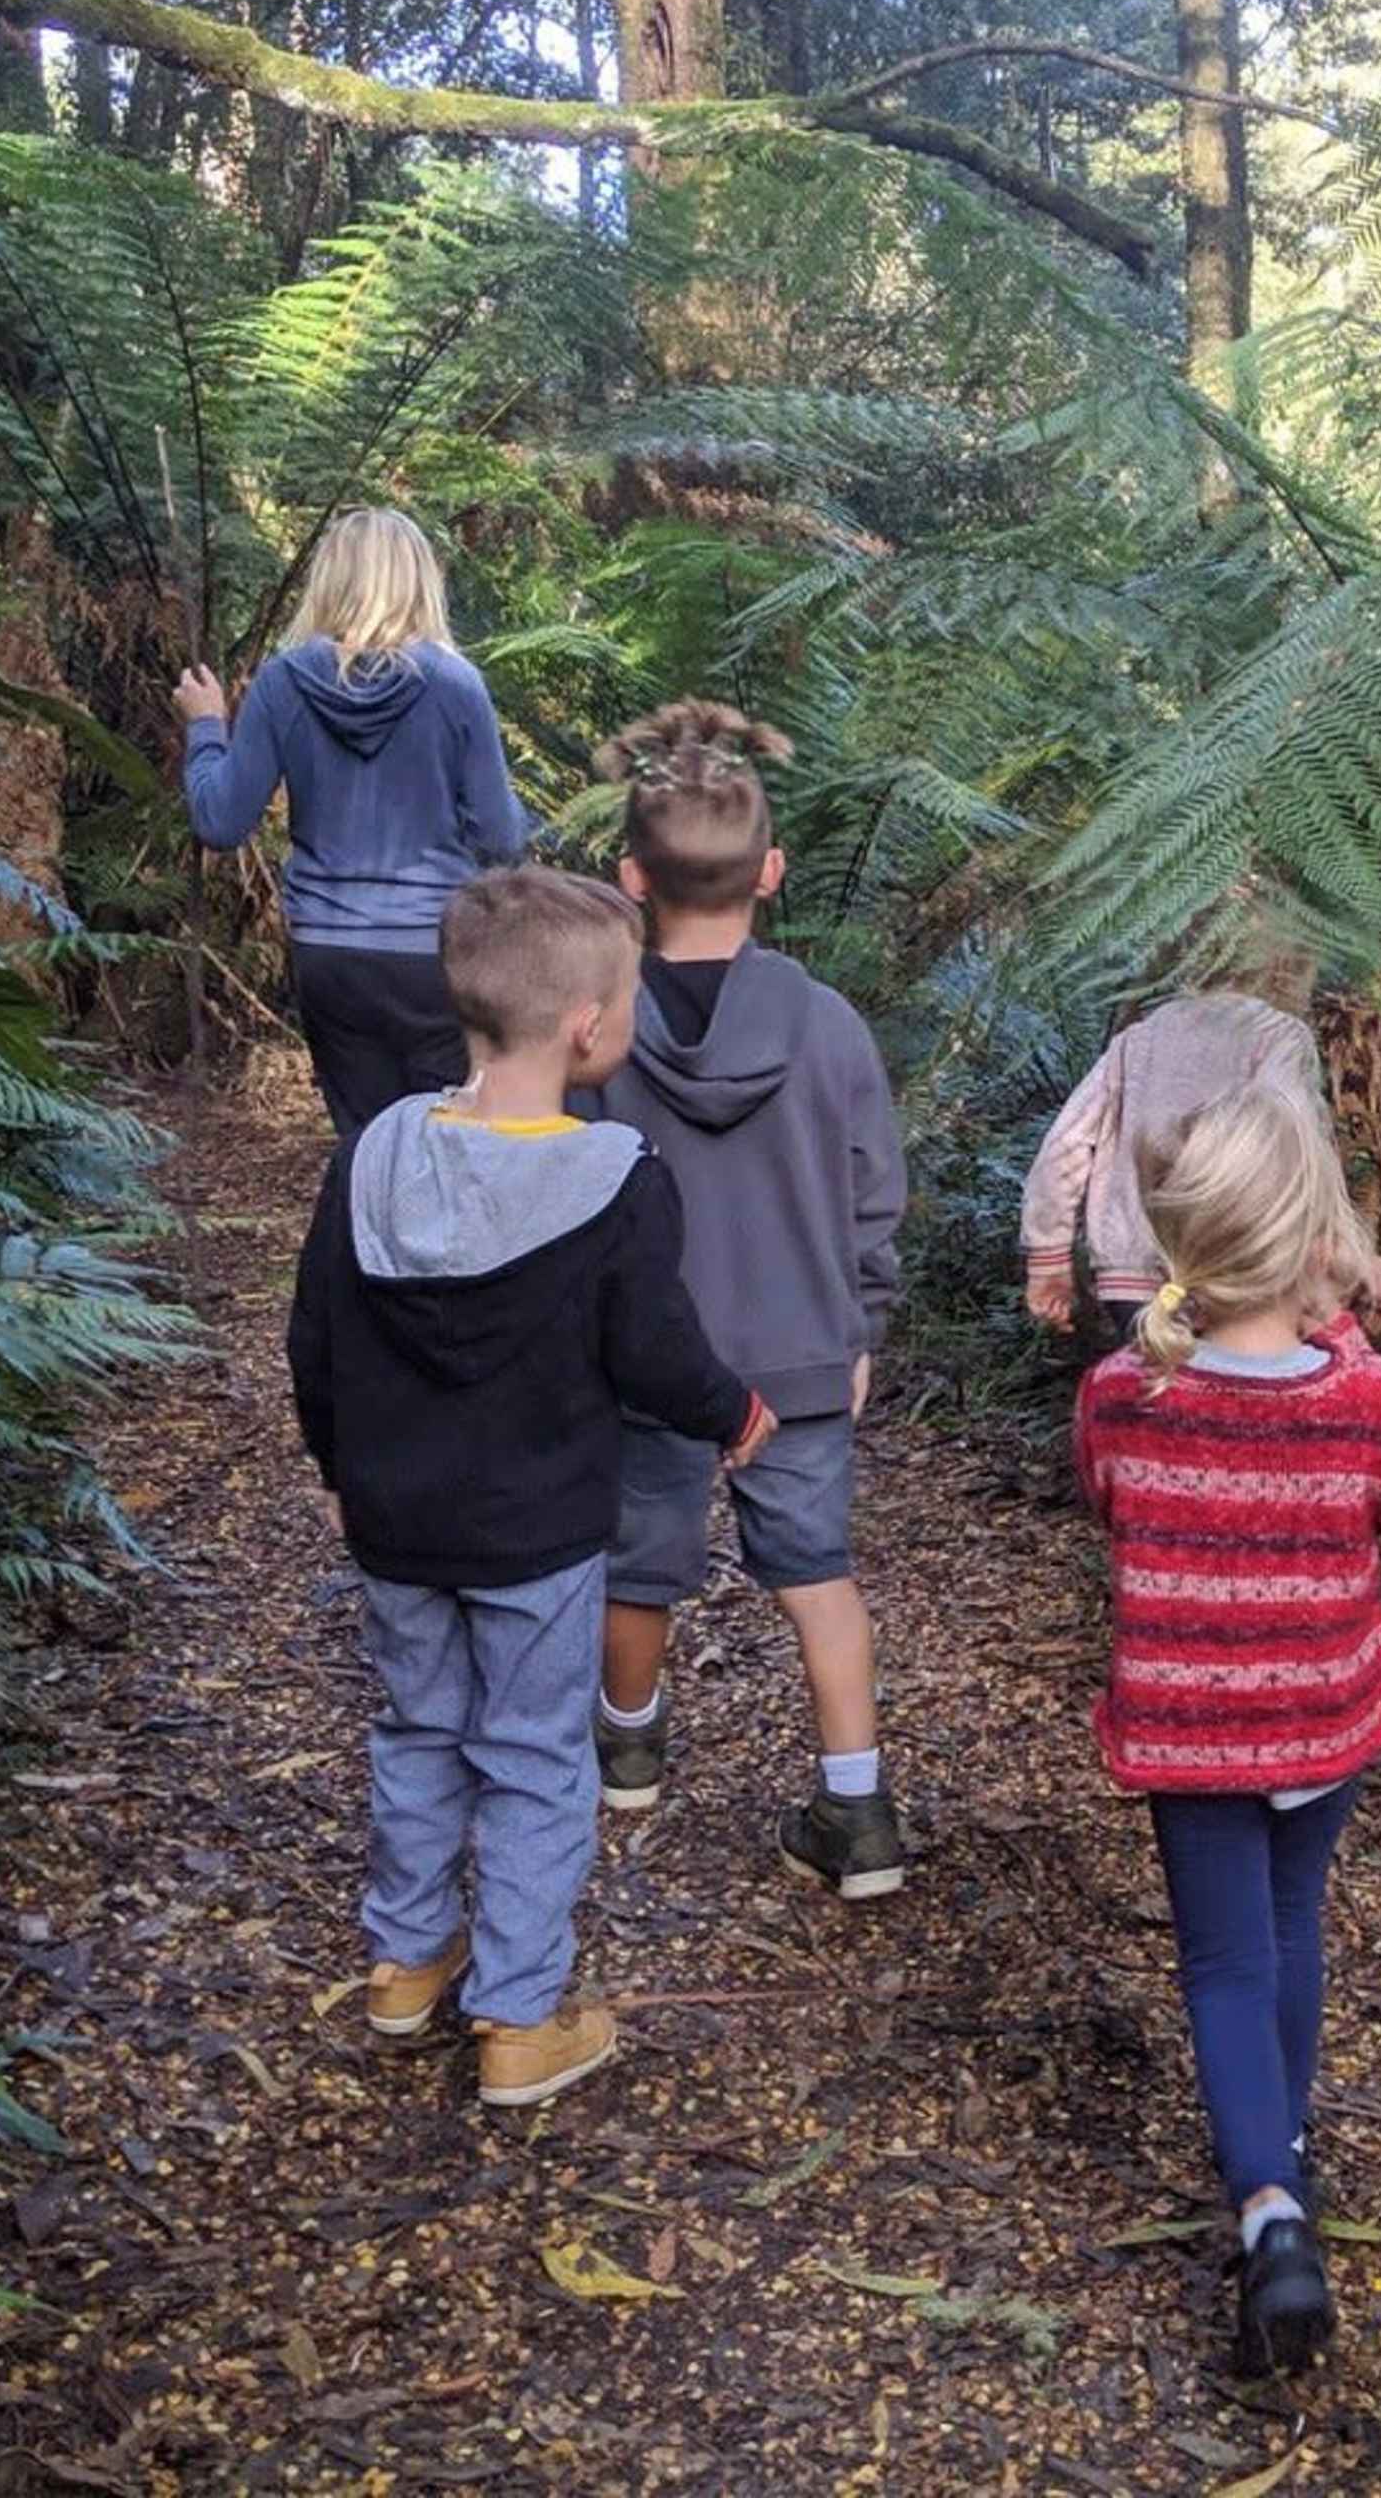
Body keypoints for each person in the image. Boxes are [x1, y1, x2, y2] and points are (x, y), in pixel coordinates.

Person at [285, 867, 773, 2108]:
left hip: (397, 1523)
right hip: (538, 1535)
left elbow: (316, 1335)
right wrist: (735, 1411)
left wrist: (339, 1467)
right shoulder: (613, 1178)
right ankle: (517, 2012)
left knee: (416, 1728)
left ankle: (404, 1960)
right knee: (536, 1754)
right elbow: (653, 1351)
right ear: (586, 1028)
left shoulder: (378, 1155)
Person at [1074, 1088, 1381, 2375]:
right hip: (1319, 1713)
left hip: (1190, 1725)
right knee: (1294, 1927)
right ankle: (1274, 2149)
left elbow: (1106, 1494)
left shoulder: (1124, 1393)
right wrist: (1343, 1329)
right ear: (1315, 1244)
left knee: (1225, 1962)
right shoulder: (1365, 1397)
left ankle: (1271, 2208)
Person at [578, 703, 911, 1901]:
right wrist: (862, 1321)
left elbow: (579, 1194)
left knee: (638, 1563)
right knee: (818, 1571)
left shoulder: (602, 1035)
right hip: (801, 1350)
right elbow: (875, 1189)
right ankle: (858, 1810)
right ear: (771, 872)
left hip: (650, 1356)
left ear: (629, 880)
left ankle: (627, 1744)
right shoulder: (829, 1028)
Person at [179, 508, 534, 1137]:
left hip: (329, 955)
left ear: (330, 580)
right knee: (446, 1139)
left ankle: (360, 1236)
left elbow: (219, 820)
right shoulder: (456, 685)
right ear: (419, 580)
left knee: (365, 1144)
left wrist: (207, 727)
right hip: (433, 954)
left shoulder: (282, 682)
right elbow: (501, 839)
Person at [1018, 975, 1381, 1340]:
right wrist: (1351, 1254)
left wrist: (1048, 1262)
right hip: (1240, 1279)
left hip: (1131, 1283)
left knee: (1151, 1395)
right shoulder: (1276, 1035)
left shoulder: (1134, 1043)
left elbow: (1065, 1146)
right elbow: (1296, 1155)